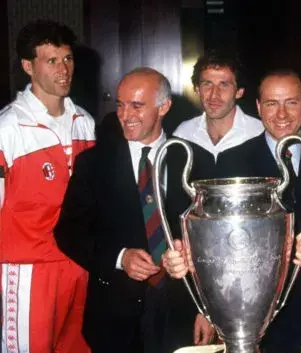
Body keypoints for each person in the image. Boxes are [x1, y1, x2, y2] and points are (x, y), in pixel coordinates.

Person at [163, 69, 301, 353]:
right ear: (259, 107)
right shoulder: (231, 162)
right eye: (272, 103)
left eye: (292, 102)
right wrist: (184, 259)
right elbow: (214, 245)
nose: (282, 113)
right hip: (259, 323)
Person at [54, 67, 216, 353]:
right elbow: (68, 233)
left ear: (164, 106)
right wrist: (120, 257)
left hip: (181, 314)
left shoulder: (196, 161)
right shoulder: (94, 163)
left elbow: (213, 245)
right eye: (120, 104)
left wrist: (207, 310)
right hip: (114, 318)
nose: (125, 115)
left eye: (137, 106)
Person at [0, 20, 95, 353]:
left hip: (78, 264)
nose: (63, 69)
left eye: (67, 59)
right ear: (28, 66)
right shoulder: (8, 127)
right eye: (51, 60)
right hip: (28, 269)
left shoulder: (85, 121)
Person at [173, 50, 263, 158]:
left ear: (239, 92)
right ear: (197, 90)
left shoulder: (259, 132)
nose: (214, 95)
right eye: (207, 84)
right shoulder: (183, 134)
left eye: (224, 85)